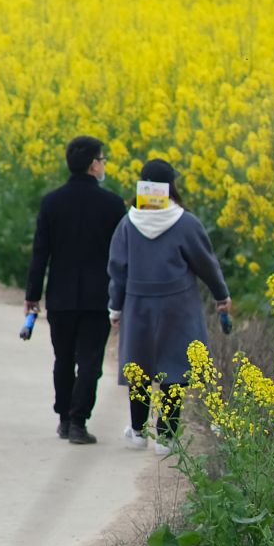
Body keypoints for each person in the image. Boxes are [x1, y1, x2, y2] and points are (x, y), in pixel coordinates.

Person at [107, 159, 231, 455]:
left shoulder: (128, 223)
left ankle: (138, 432)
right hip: (178, 306)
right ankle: (166, 436)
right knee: (174, 369)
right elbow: (206, 264)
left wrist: (115, 308)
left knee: (139, 367)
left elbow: (117, 270)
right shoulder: (186, 222)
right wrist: (221, 296)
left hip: (138, 305)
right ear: (170, 187)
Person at [23, 136, 126, 446]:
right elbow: (121, 255)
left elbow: (40, 252)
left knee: (63, 358)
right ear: (94, 164)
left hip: (61, 296)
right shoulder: (112, 204)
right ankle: (79, 421)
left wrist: (32, 295)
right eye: (103, 159)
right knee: (91, 362)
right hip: (98, 297)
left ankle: (65, 419)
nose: (104, 164)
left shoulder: (51, 202)